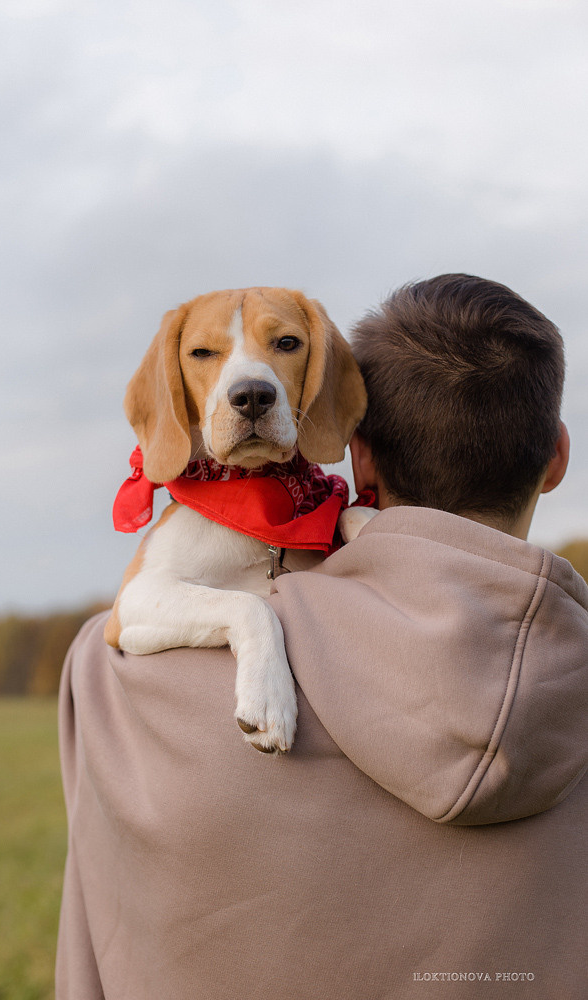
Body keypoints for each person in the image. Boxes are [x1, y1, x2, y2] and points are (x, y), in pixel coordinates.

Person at [56, 274, 588, 999]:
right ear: (557, 456)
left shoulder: (103, 679)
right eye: (207, 354)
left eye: (283, 345)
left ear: (355, 453)